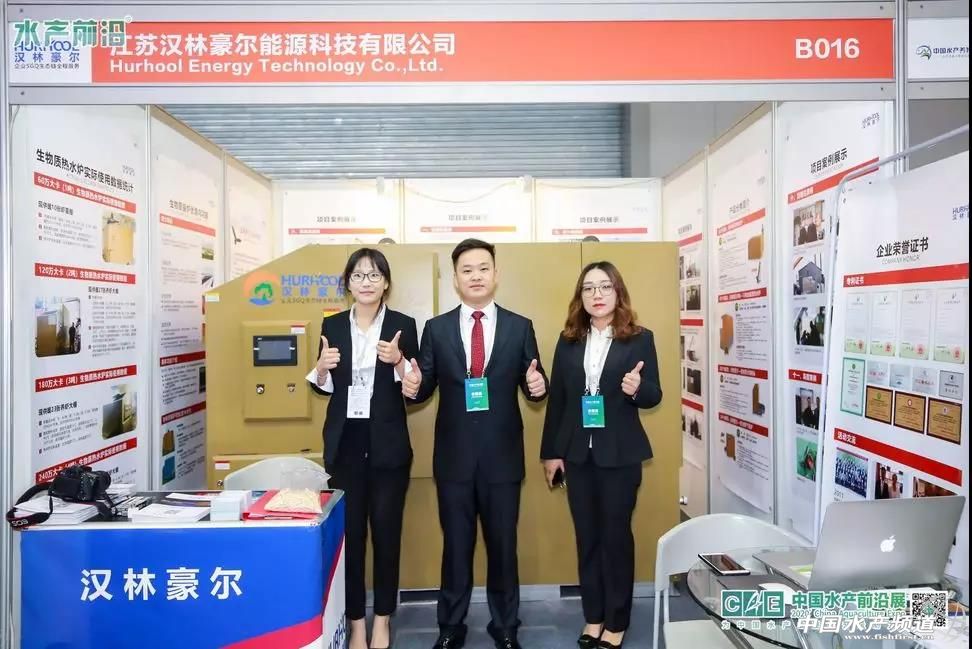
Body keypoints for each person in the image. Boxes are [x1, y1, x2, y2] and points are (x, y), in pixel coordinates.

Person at [401, 238, 548, 649]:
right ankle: (450, 626)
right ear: (456, 279)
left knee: (503, 547)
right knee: (456, 547)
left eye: (483, 268)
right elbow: (423, 387)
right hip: (454, 459)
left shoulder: (520, 326)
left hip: (502, 458)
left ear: (496, 274)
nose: (476, 276)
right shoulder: (437, 328)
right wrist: (411, 386)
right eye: (467, 270)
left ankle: (506, 626)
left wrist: (538, 386)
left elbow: (535, 382)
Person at [539, 261, 663, 649]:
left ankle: (617, 621)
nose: (597, 294)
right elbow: (559, 400)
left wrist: (637, 388)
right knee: (587, 538)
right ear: (581, 296)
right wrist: (551, 453)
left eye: (605, 286)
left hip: (619, 456)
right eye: (589, 288)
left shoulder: (639, 338)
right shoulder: (568, 340)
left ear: (617, 292)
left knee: (615, 538)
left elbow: (654, 394)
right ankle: (593, 616)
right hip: (578, 455)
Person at [307, 247, 419, 649]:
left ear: (386, 282)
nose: (366, 282)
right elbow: (323, 385)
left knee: (387, 535)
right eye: (358, 276)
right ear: (348, 284)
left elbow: (416, 387)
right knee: (350, 538)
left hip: (388, 445)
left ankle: (383, 619)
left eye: (374, 275)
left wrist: (400, 361)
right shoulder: (333, 325)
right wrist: (321, 368)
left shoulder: (403, 325)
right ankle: (355, 622)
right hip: (346, 445)